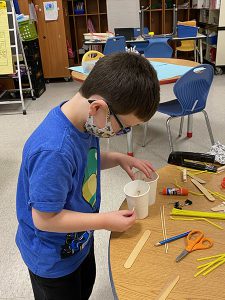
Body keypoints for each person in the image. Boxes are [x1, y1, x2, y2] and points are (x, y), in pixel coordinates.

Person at [16, 52, 160, 300]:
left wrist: (117, 158)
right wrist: (104, 221)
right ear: (98, 107)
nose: (121, 133)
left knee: (83, 289)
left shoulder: (85, 121)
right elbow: (44, 220)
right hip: (52, 260)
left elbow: (83, 163)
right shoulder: (54, 150)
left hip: (77, 240)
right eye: (123, 127)